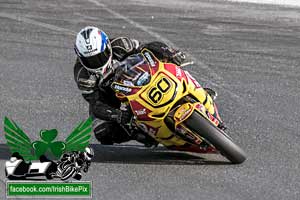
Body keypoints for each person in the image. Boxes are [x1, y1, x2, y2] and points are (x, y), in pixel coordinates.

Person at [73, 26, 215, 146]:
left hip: (142, 76)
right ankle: (143, 133)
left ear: (107, 47)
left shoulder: (121, 44)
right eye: (89, 60)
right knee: (101, 132)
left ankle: (197, 90)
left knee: (172, 63)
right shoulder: (83, 76)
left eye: (100, 56)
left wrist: (169, 52)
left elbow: (147, 49)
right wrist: (117, 115)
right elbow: (96, 103)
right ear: (80, 58)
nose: (96, 62)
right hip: (113, 97)